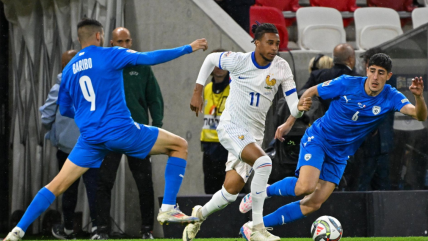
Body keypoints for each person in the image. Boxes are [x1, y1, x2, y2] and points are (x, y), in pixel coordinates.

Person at [4, 18, 208, 241]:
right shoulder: (111, 54)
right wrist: (188, 48)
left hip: (90, 139)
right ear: (100, 37)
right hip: (121, 131)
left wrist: (86, 116)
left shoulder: (69, 68)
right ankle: (168, 207)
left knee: (56, 185)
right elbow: (150, 57)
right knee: (180, 145)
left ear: (79, 38)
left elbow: (64, 108)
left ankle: (17, 232)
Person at [238, 53, 427, 239]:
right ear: (367, 70)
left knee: (314, 203)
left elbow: (419, 115)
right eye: (372, 71)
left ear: (388, 76)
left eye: (381, 73)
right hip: (319, 139)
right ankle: (261, 192)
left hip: (340, 154)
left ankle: (256, 226)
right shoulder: (346, 82)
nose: (375, 77)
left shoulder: (391, 96)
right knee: (305, 187)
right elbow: (311, 91)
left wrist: (419, 97)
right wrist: (289, 122)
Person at [185, 23, 311, 241]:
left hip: (253, 136)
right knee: (264, 163)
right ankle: (257, 228)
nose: (274, 47)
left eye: (277, 43)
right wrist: (197, 91)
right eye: (269, 43)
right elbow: (210, 60)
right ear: (257, 43)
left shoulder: (281, 67)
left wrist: (298, 109)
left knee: (229, 194)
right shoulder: (239, 60)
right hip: (231, 126)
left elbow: (293, 107)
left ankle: (198, 216)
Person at [93, 27, 163, 240]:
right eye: (119, 41)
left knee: (144, 183)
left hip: (137, 133)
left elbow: (155, 99)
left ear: (131, 42)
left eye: (127, 41)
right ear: (112, 44)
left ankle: (146, 230)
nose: (124, 45)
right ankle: (102, 230)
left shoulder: (141, 66)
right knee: (104, 181)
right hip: (110, 134)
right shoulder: (103, 67)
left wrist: (156, 126)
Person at [39, 50, 99, 240]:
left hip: (68, 150)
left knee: (68, 189)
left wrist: (56, 133)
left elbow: (46, 117)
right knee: (94, 189)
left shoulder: (59, 87)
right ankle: (99, 229)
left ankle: (67, 229)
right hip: (89, 148)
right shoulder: (92, 85)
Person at [348, 47, 395, 191]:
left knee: (368, 186)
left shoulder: (384, 86)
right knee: (369, 186)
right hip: (373, 145)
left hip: (376, 145)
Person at [200, 48, 231, 194]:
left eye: (223, 63)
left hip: (227, 146)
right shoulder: (207, 89)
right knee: (210, 191)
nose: (219, 68)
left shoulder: (234, 88)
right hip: (209, 147)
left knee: (229, 191)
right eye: (216, 64)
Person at [300, 43, 360, 112]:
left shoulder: (317, 75)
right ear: (350, 59)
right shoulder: (358, 79)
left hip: (320, 119)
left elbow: (302, 95)